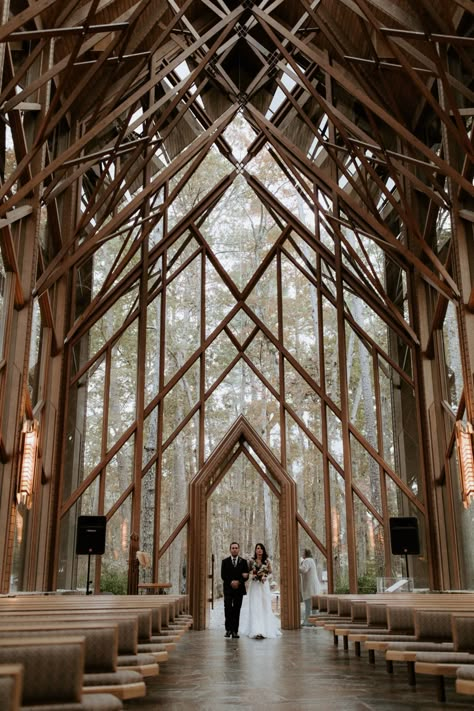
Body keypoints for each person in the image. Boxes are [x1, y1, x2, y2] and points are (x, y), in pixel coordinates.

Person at [243, 543, 281, 639]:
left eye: (260, 548)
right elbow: (248, 573)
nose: (259, 550)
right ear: (255, 550)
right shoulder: (251, 561)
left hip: (264, 586)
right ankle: (256, 630)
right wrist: (253, 576)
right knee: (255, 607)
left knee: (264, 606)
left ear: (263, 550)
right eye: (257, 548)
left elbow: (271, 573)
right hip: (255, 586)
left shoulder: (267, 561)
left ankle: (265, 629)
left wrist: (265, 577)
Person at [221, 542, 249, 638]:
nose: (234, 549)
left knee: (237, 610)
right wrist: (231, 582)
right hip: (228, 589)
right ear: (230, 550)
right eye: (232, 548)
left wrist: (239, 582)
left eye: (236, 548)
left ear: (239, 549)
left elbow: (246, 575)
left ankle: (235, 631)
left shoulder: (243, 562)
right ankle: (228, 630)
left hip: (239, 590)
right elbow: (223, 575)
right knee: (228, 609)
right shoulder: (225, 562)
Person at [299, 548, 321, 626]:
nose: (302, 554)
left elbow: (304, 570)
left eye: (303, 552)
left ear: (306, 553)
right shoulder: (311, 560)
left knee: (308, 605)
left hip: (309, 587)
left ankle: (307, 622)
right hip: (314, 587)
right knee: (314, 606)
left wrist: (296, 567)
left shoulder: (307, 560)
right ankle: (315, 621)